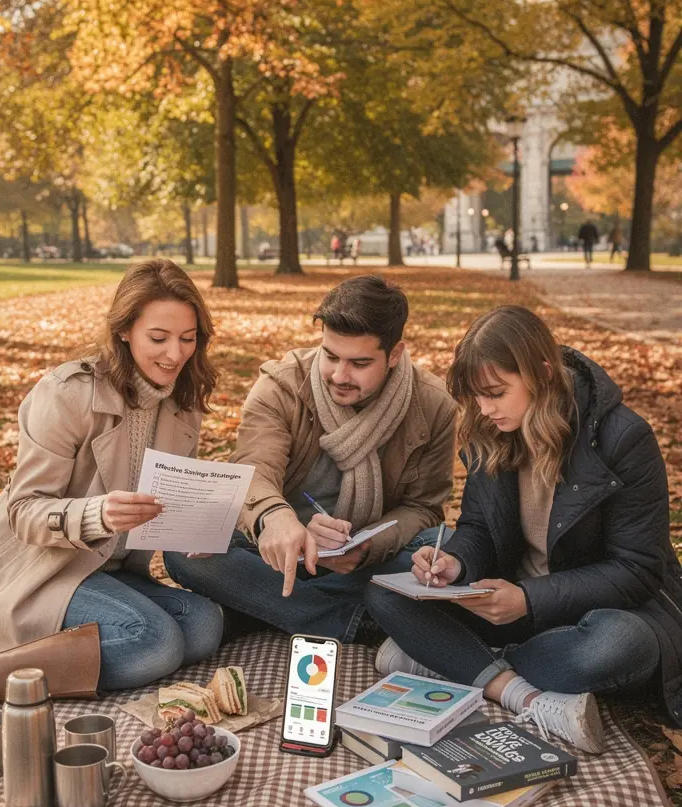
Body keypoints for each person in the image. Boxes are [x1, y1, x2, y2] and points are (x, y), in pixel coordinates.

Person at [0, 259, 224, 744]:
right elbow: (24, 510)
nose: (175, 353)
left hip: (104, 570)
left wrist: (194, 530)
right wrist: (96, 513)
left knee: (203, 625)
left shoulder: (182, 405)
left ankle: (51, 654)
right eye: (158, 337)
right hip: (34, 567)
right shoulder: (68, 393)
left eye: (188, 338)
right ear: (123, 331)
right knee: (155, 643)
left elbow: (164, 503)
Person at [364, 305, 682, 754]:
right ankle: (515, 689)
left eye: (496, 393)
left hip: (596, 614)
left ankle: (449, 659)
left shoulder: (623, 439)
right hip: (509, 606)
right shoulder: (491, 428)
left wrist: (529, 600)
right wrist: (456, 562)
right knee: (383, 589)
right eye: (476, 396)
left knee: (619, 646)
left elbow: (637, 569)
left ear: (542, 374)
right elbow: (478, 526)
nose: (484, 408)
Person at [165, 275, 457, 646]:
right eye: (330, 356)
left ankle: (263, 609)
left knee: (441, 549)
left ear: (395, 354)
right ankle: (356, 621)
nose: (339, 375)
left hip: (363, 562)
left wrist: (367, 548)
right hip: (276, 552)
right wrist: (277, 518)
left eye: (359, 363)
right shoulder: (282, 385)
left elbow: (424, 508)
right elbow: (253, 470)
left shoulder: (433, 404)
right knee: (184, 547)